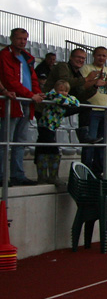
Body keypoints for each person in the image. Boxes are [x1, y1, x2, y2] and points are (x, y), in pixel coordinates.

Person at [0, 28, 44, 186]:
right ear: (12, 38)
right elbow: (10, 80)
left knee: (20, 142)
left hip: (26, 103)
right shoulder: (5, 55)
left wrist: (37, 94)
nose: (22, 42)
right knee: (5, 141)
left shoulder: (27, 57)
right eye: (19, 38)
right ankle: (2, 175)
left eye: (25, 39)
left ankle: (17, 175)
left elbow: (33, 79)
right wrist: (31, 95)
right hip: (13, 103)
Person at [79, 46, 107, 176]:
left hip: (106, 110)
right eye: (99, 55)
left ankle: (98, 171)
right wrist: (96, 80)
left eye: (104, 56)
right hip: (91, 110)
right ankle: (86, 171)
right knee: (90, 143)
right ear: (94, 56)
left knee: (103, 144)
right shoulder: (86, 69)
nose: (101, 58)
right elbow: (82, 86)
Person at [35, 79, 80, 186]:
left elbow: (77, 102)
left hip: (52, 127)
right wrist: (68, 99)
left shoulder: (63, 96)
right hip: (46, 125)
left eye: (66, 91)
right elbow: (62, 101)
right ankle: (48, 177)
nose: (63, 93)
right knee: (52, 150)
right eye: (61, 90)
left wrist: (69, 98)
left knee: (45, 149)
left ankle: (47, 177)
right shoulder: (52, 95)